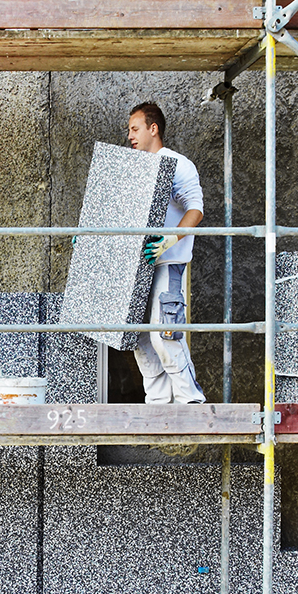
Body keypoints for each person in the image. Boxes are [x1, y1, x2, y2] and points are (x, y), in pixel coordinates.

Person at [125, 101, 207, 404]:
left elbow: (195, 209)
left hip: (167, 261)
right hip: (137, 266)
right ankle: (158, 404)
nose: (130, 136)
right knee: (140, 338)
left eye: (135, 129)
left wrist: (169, 239)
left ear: (153, 128)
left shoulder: (176, 164)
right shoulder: (135, 170)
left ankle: (191, 401)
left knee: (164, 334)